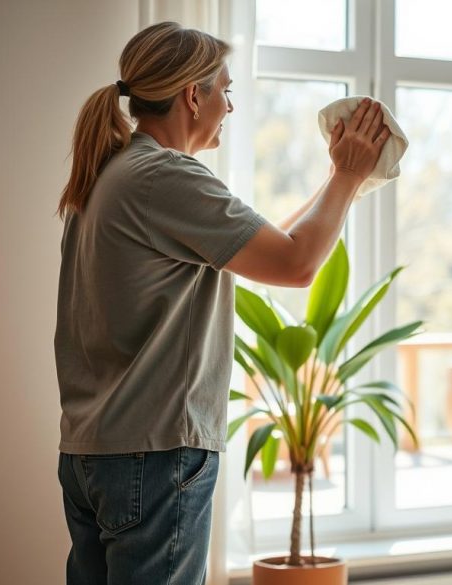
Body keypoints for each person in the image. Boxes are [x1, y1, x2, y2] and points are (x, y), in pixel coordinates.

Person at [53, 21, 389, 585]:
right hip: (154, 452)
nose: (230, 108)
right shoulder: (165, 176)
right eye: (225, 90)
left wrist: (340, 178)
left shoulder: (111, 174)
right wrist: (347, 175)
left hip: (94, 450)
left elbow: (264, 250)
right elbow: (296, 265)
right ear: (193, 96)